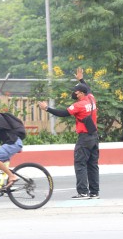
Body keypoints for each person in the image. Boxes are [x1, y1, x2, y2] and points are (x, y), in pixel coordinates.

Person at [38, 67, 99, 199]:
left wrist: (47, 108)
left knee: (80, 163)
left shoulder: (79, 105)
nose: (74, 94)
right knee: (93, 165)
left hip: (84, 138)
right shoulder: (91, 99)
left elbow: (63, 113)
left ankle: (83, 192)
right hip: (94, 136)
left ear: (81, 94)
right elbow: (88, 88)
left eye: (76, 92)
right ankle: (94, 192)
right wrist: (81, 79)